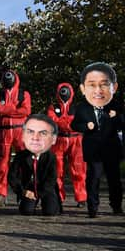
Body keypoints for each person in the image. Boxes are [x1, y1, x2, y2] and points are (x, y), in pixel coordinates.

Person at [71, 62, 124, 218]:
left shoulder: (115, 105)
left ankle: (116, 206)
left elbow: (123, 123)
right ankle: (92, 208)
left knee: (114, 179)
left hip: (111, 147)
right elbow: (74, 124)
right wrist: (86, 126)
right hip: (93, 149)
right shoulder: (83, 107)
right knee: (93, 178)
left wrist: (118, 117)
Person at [0, 69, 31, 207]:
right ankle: (0, 194)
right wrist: (14, 109)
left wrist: (5, 109)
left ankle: (23, 192)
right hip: (3, 132)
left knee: (25, 163)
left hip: (20, 131)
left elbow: (26, 110)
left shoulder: (23, 94)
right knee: (1, 164)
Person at [8, 114, 61, 216]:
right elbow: (12, 176)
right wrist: (22, 191)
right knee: (26, 211)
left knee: (50, 212)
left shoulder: (50, 157)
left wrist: (39, 193)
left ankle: (53, 202)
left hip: (45, 189)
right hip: (28, 189)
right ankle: (28, 202)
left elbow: (52, 178)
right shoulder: (21, 156)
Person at [46, 83, 87, 207]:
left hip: (76, 141)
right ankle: (59, 196)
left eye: (66, 90)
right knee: (57, 170)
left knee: (79, 170)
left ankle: (81, 197)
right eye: (61, 91)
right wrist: (70, 122)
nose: (64, 93)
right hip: (59, 140)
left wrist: (62, 121)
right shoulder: (53, 107)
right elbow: (52, 121)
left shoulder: (78, 107)